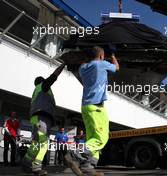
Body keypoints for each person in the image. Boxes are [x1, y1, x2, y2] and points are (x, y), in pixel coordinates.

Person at [64, 46, 119, 176]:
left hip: (86, 107)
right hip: (96, 107)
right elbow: (116, 67)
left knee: (92, 138)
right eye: (103, 56)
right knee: (101, 138)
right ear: (101, 56)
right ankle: (74, 155)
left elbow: (85, 62)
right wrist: (112, 56)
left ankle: (88, 167)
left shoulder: (82, 68)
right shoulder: (101, 64)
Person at [22, 63, 65, 176]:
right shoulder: (43, 87)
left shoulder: (36, 92)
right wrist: (63, 65)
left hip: (37, 118)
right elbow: (53, 76)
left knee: (36, 143)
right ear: (42, 81)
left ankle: (26, 163)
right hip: (41, 118)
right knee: (44, 143)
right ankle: (37, 167)